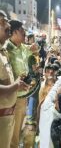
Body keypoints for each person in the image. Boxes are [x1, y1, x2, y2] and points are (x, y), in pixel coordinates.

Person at [0, 10, 27, 148]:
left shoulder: (3, 52)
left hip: (8, 114)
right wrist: (15, 86)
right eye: (3, 22)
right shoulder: (6, 50)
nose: (7, 25)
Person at [5, 20, 33, 148]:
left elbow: (31, 51)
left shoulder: (23, 48)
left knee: (19, 129)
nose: (25, 34)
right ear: (14, 32)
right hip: (13, 99)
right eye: (22, 31)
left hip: (24, 96)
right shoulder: (6, 51)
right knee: (13, 135)